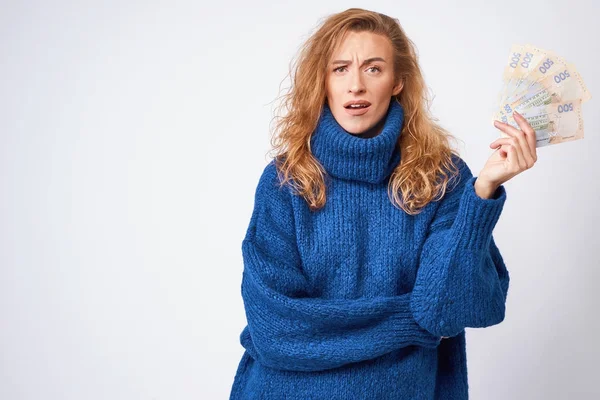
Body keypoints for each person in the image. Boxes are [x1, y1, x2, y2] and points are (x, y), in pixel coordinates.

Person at [229, 8, 537, 400]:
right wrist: (413, 322)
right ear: (322, 81)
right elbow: (275, 331)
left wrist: (483, 193)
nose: (355, 85)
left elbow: (454, 310)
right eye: (340, 69)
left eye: (373, 68)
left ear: (397, 81)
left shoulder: (443, 178)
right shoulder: (284, 181)